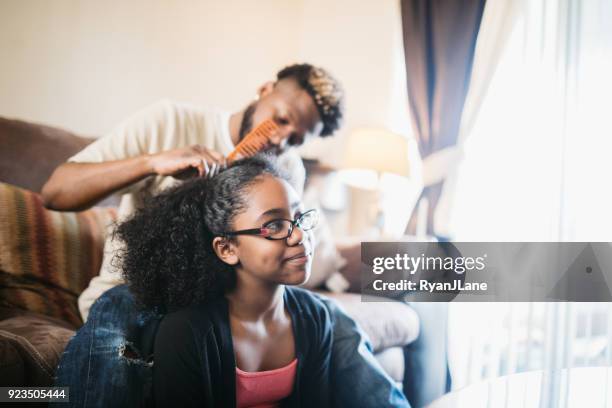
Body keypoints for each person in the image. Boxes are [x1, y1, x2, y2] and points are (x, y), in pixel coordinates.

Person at [47, 63, 410, 407]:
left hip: (230, 295)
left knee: (332, 321)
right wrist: (152, 162)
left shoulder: (287, 168)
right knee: (115, 351)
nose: (282, 139)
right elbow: (55, 192)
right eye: (282, 119)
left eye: (297, 138)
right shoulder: (170, 121)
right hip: (139, 292)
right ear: (265, 89)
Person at [116, 156, 332, 407]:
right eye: (273, 225)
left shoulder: (316, 317)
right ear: (227, 249)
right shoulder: (186, 331)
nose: (299, 236)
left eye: (298, 216)